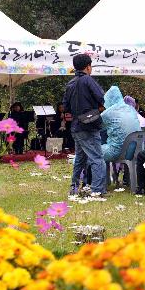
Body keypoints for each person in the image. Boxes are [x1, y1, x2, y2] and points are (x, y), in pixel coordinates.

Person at [63, 54, 107, 196]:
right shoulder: (88, 80)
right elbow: (102, 97)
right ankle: (97, 191)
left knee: (80, 159)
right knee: (97, 158)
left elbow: (65, 107)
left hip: (76, 126)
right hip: (89, 126)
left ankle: (74, 189)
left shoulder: (70, 83)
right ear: (88, 67)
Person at [101, 86, 142, 162]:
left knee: (92, 151)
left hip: (116, 153)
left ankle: (83, 173)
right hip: (135, 150)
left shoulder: (107, 113)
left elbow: (98, 127)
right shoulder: (131, 109)